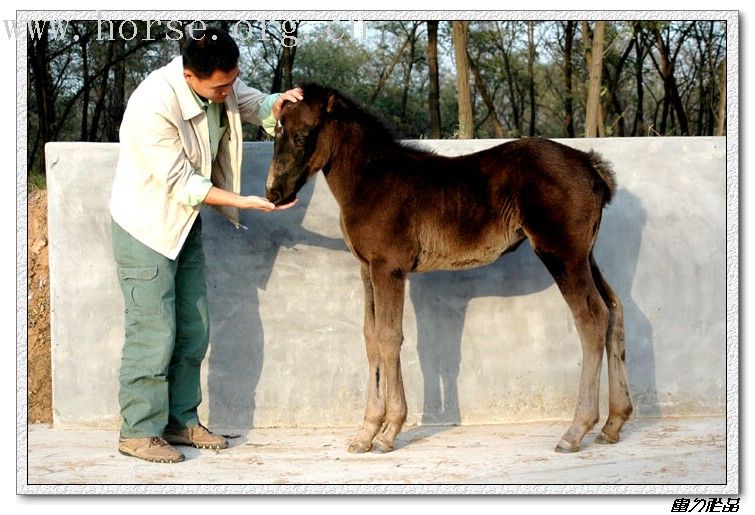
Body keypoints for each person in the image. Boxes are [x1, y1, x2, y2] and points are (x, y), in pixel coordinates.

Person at [109, 26, 302, 463]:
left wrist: (280, 102)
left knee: (194, 328)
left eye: (232, 80)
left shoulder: (223, 85)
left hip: (184, 225)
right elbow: (181, 182)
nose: (228, 91)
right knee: (154, 332)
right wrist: (246, 203)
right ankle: (138, 431)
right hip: (146, 226)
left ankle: (181, 420)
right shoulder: (153, 103)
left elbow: (253, 103)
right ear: (190, 77)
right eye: (220, 85)